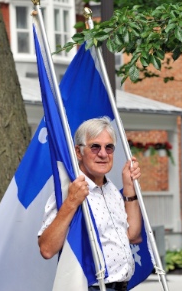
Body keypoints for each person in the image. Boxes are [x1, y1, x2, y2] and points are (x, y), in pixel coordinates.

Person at [38, 116, 142, 291]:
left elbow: (132, 235)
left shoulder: (112, 191)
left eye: (109, 147)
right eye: (95, 147)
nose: (103, 154)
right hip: (91, 287)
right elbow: (47, 249)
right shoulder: (69, 191)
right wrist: (71, 202)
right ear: (78, 152)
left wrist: (129, 189)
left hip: (122, 286)